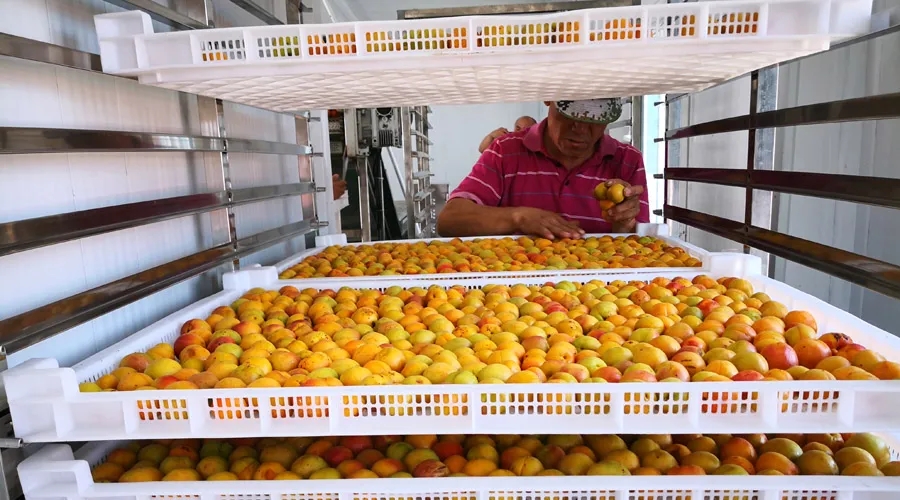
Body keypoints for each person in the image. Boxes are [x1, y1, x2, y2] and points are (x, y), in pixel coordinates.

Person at [437, 99, 648, 239]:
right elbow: (449, 220)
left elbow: (641, 245)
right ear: (548, 98)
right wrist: (518, 217)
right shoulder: (505, 151)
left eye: (594, 119)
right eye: (571, 116)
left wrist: (623, 224)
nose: (581, 129)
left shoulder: (627, 160)